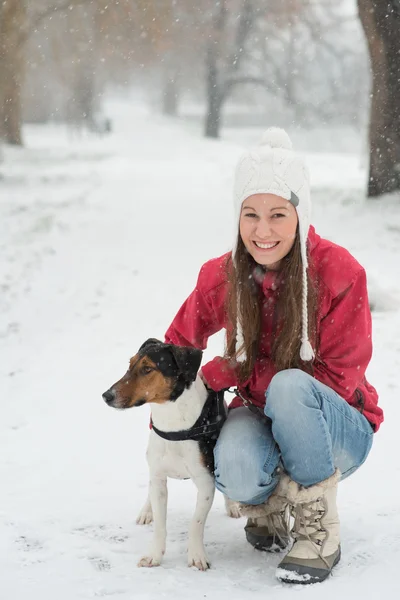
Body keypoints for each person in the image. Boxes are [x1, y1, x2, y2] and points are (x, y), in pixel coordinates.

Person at [164, 128, 383, 584]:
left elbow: (339, 379)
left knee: (288, 386)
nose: (263, 231)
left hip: (337, 427)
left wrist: (232, 370)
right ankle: (267, 505)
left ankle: (317, 527)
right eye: (251, 215)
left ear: (300, 214)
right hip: (261, 413)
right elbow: (177, 351)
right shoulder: (220, 275)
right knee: (238, 467)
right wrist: (167, 421)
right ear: (237, 217)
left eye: (278, 215)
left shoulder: (339, 271)